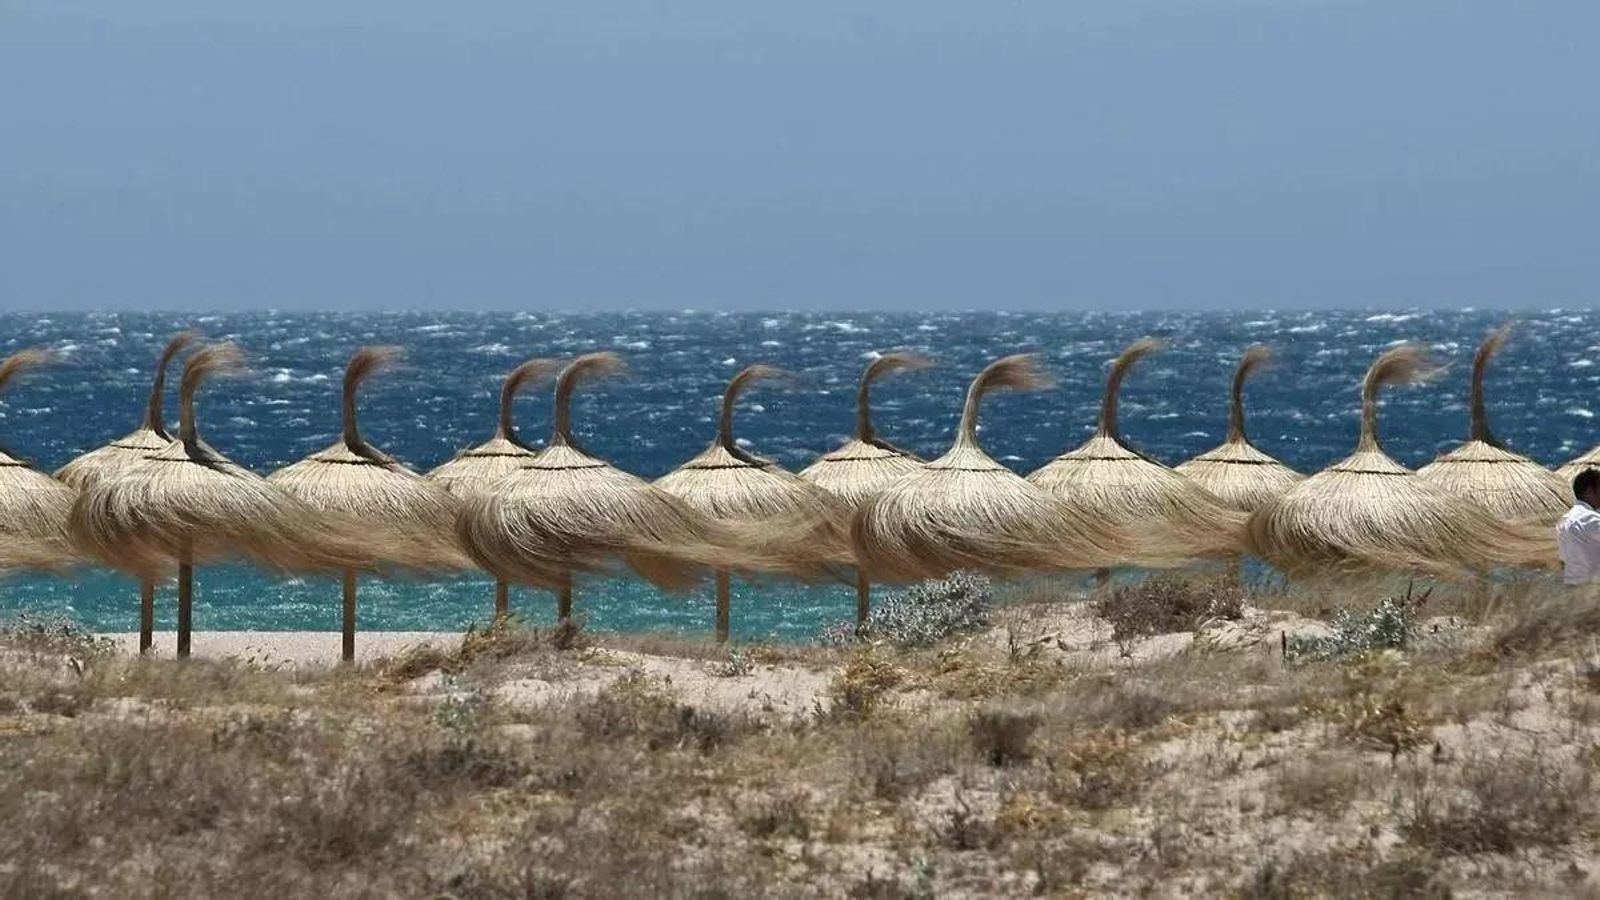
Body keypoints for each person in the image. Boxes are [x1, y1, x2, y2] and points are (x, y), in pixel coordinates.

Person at [1557, 468, 1600, 585]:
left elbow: (1563, 562)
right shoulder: (1590, 519)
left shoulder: (1563, 520)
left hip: (1572, 585)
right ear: (1590, 491)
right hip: (1591, 587)